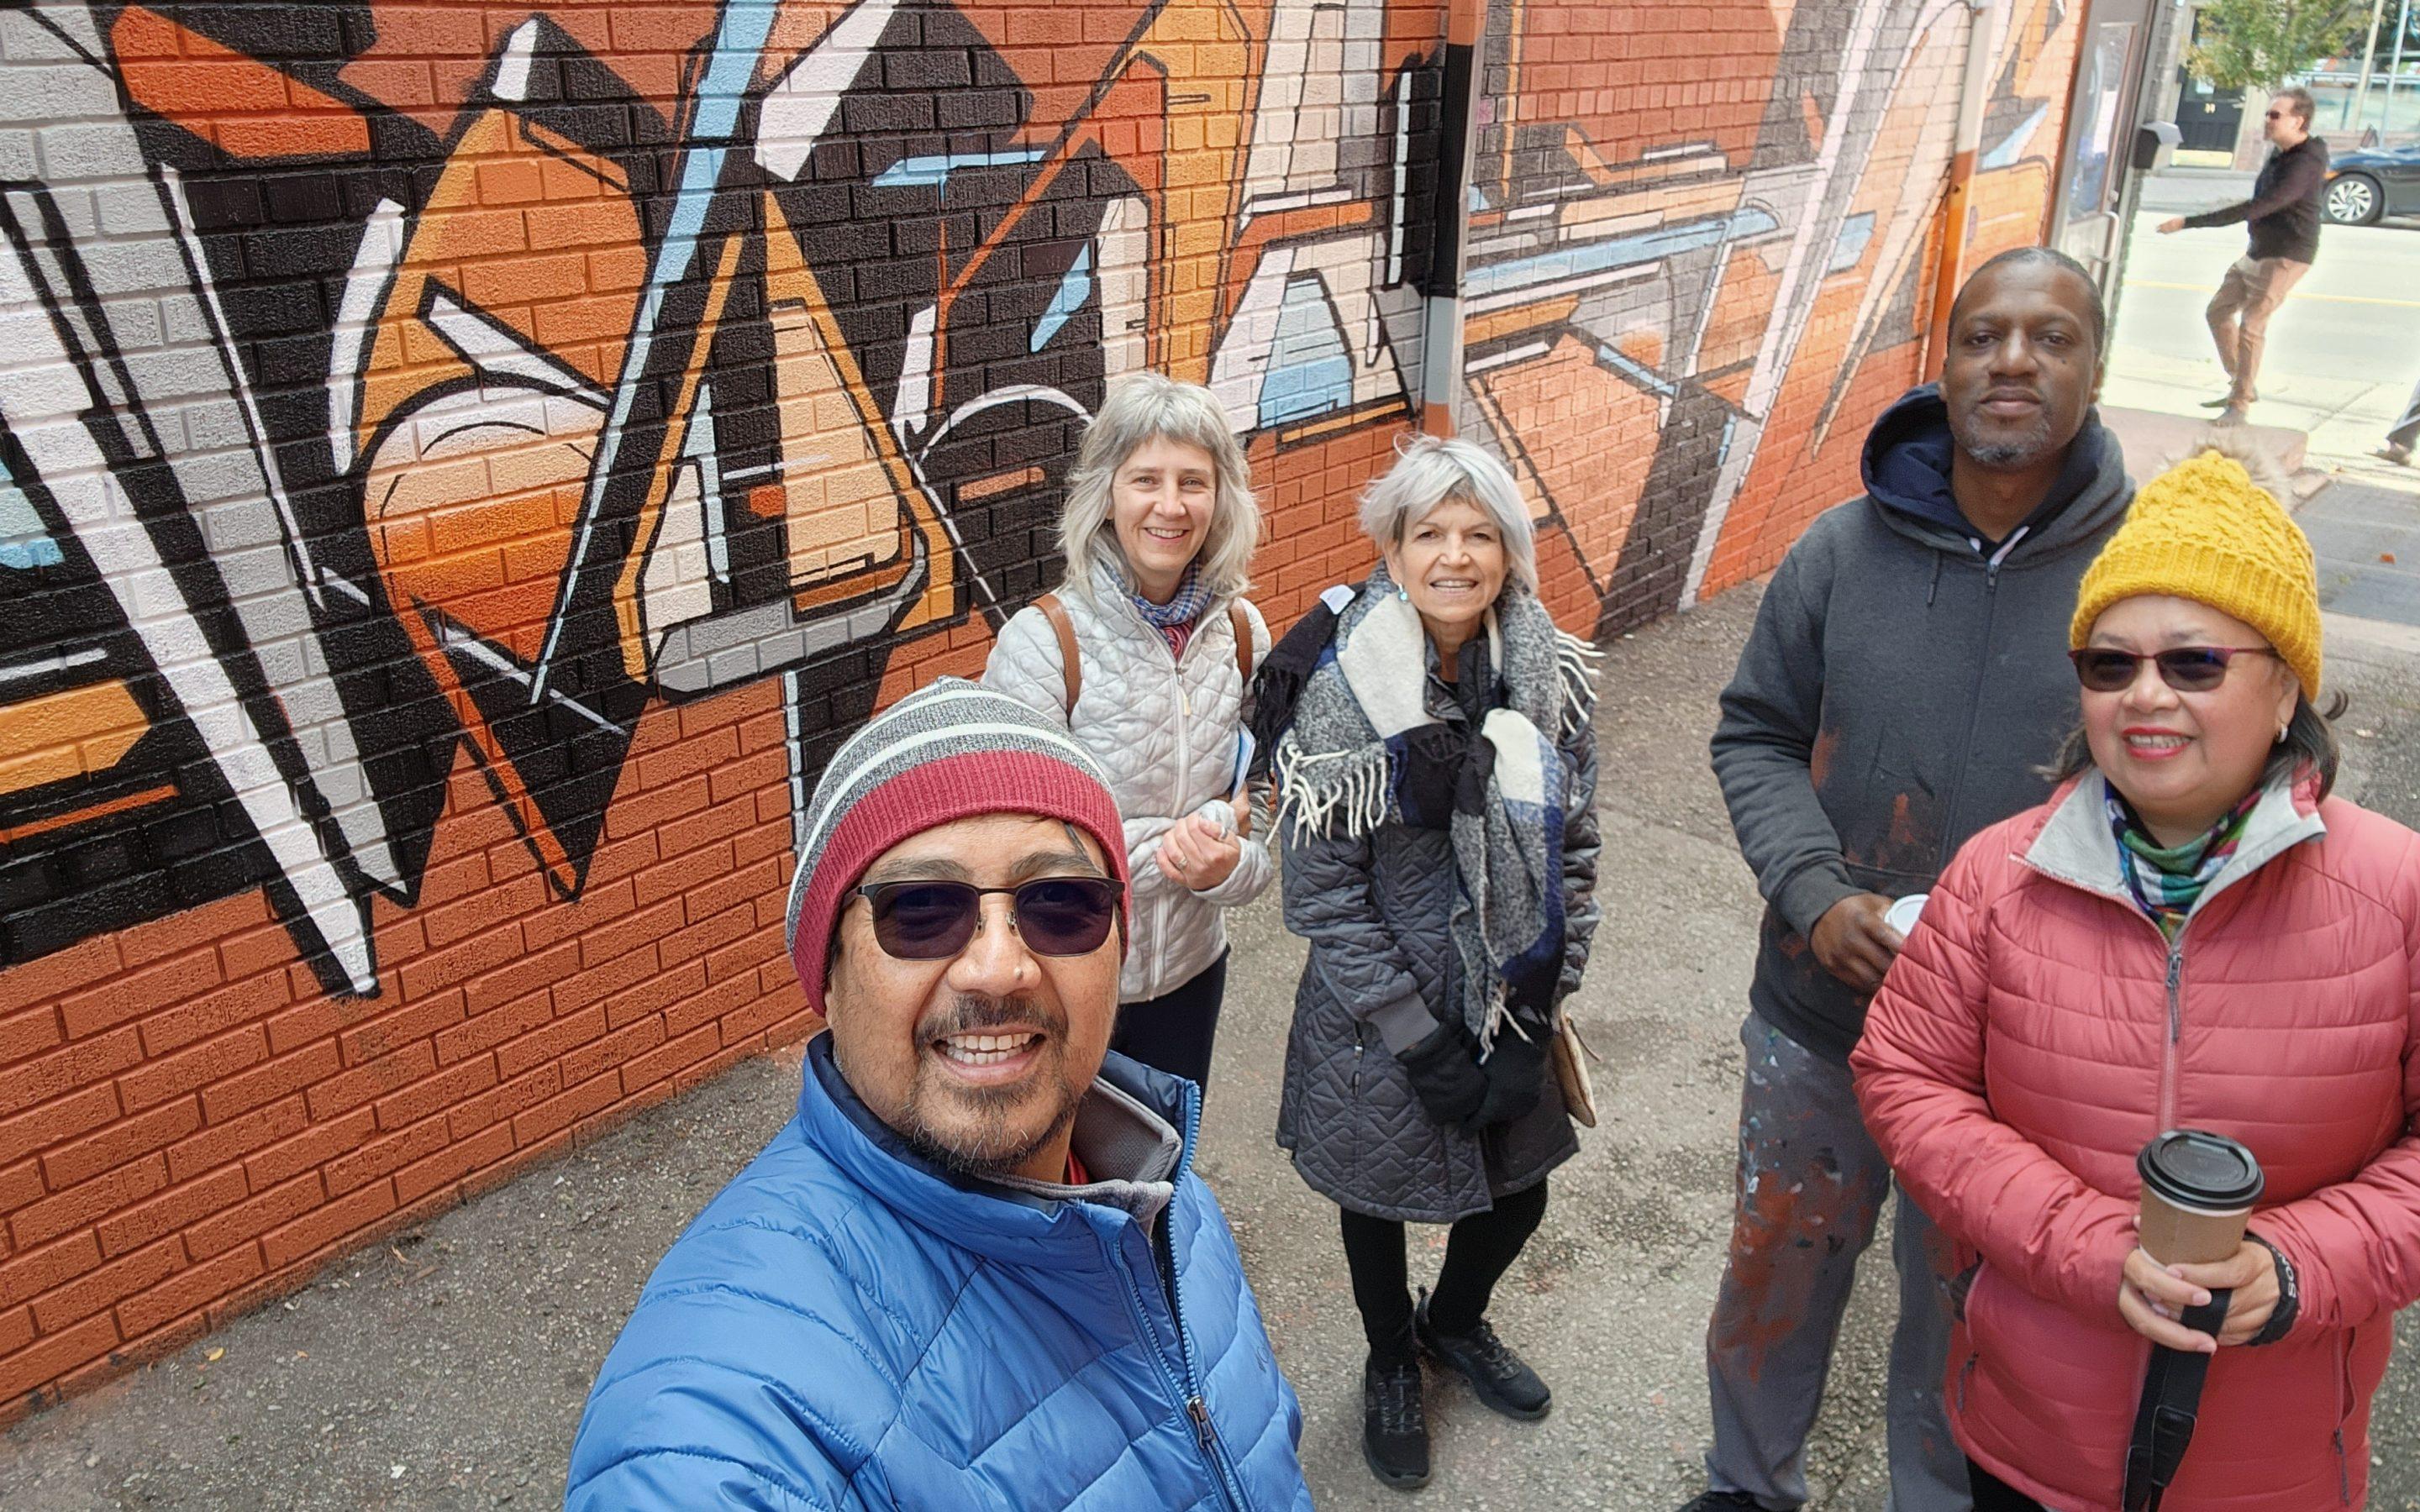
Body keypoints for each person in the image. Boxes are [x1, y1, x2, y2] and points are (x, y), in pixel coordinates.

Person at [566, 680, 1313, 1510]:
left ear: (1118, 950)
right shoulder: (729, 1406)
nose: (999, 967)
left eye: (1061, 903)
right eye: (920, 910)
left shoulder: (1161, 1197)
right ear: (828, 974)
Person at [1852, 446, 2420, 1511]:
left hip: (2275, 1469)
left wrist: (2297, 1268)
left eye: (2195, 662)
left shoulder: (2400, 892)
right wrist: (2090, 1247)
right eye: (2110, 666)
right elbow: (1906, 1080)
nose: (2146, 694)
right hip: (2027, 1440)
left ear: (2286, 684)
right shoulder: (1997, 874)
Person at [1679, 248, 2133, 1512]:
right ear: (1944, 361)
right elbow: (1756, 733)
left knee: (1969, 1304)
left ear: (2097, 365)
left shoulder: (2141, 574)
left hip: (2024, 1050)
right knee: (1778, 1267)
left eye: (2051, 337)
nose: (2012, 361)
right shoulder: (1838, 550)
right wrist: (1814, 892)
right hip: (1819, 1015)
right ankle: (1746, 1483)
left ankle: (1935, 1493)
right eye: (1983, 336)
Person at [1259, 436, 1601, 1491]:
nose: (1456, 556)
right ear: (1393, 550)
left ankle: (1451, 1324)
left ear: (1509, 551)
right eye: (1431, 534)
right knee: (1376, 1206)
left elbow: (1577, 852)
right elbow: (1322, 896)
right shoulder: (1339, 696)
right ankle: (1388, 1361)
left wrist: (1538, 1010)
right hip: (1379, 1021)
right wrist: (1418, 1041)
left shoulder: (1548, 676)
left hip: (1508, 1000)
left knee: (1520, 1196)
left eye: (1479, 534)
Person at [985, 372, 1270, 1094]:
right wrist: (1204, 829)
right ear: (1107, 493)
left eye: (1193, 482)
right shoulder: (1043, 644)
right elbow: (1016, 846)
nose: (1170, 506)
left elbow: (1270, 810)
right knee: (1063, 1159)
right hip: (1068, 981)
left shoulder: (1242, 634)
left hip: (1193, 973)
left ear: (1221, 497)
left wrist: (1228, 868)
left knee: (1173, 1150)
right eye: (1146, 479)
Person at [2156, 86, 2328, 425]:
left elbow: (2262, 206)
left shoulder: (2304, 164)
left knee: (2252, 325)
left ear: (2298, 121)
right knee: (2218, 311)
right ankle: (2242, 383)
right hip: (2258, 250)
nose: (2267, 120)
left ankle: (2239, 406)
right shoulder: (2280, 153)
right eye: (2267, 113)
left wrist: (2190, 222)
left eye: (2275, 115)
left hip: (2287, 255)